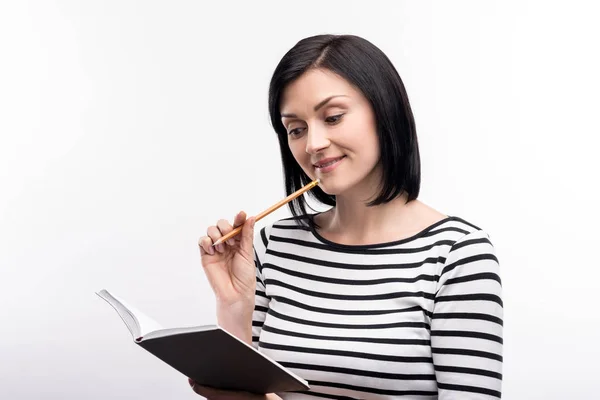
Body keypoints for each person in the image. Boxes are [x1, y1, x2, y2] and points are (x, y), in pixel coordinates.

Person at [193, 34, 503, 400]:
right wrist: (233, 307)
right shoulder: (271, 244)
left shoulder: (458, 255)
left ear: (384, 110)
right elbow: (248, 394)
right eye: (296, 129)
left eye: (333, 117)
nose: (313, 144)